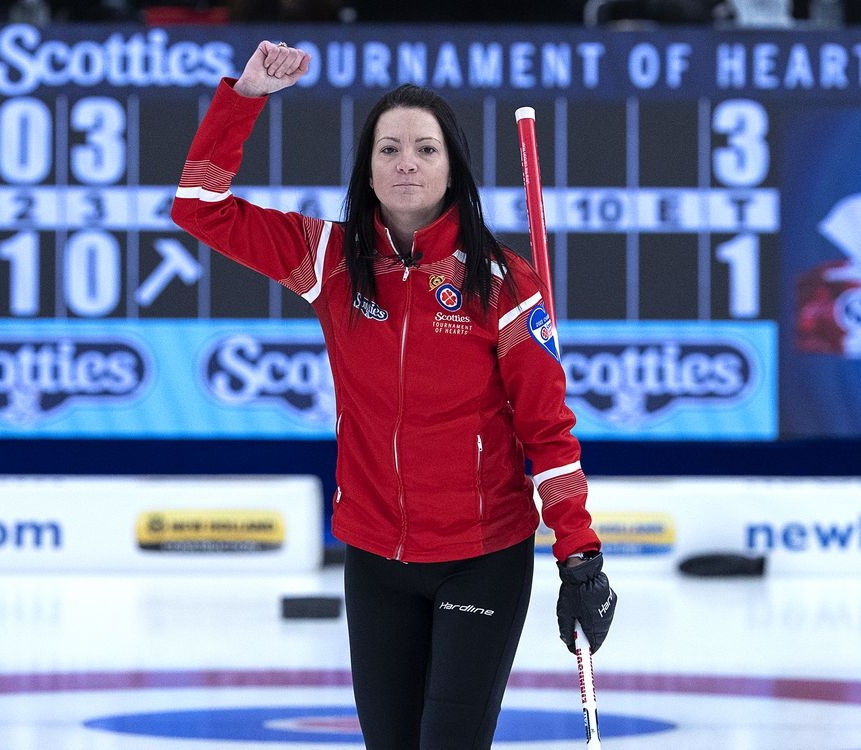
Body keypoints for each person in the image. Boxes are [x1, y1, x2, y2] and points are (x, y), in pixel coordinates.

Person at [171, 40, 616, 750]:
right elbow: (199, 208)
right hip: (375, 559)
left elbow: (547, 433)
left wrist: (580, 557)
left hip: (481, 554)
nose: (406, 162)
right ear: (368, 169)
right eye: (389, 148)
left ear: (452, 168)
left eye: (424, 149)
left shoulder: (503, 284)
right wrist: (245, 97)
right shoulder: (329, 259)